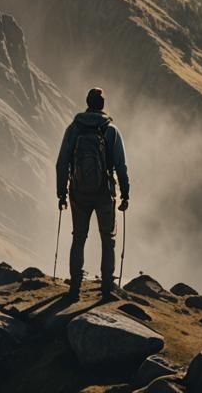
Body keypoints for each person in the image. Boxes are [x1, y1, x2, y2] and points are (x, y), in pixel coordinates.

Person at [56, 87, 129, 298]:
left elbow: (62, 163)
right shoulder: (111, 130)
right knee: (108, 239)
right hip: (104, 192)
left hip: (78, 191)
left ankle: (74, 289)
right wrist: (125, 194)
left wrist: (61, 194)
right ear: (103, 106)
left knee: (78, 238)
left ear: (87, 103)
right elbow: (121, 166)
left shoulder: (73, 129)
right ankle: (107, 289)